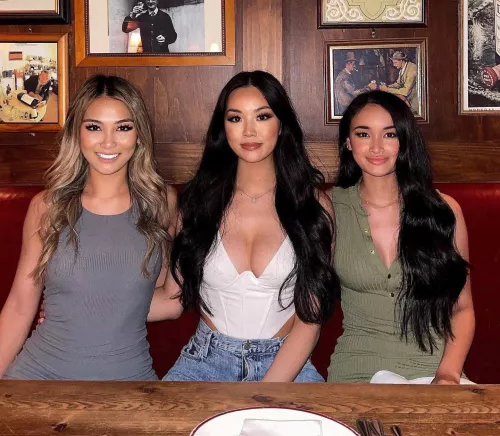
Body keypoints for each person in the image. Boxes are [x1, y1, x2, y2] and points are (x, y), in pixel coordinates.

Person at [149, 70, 337, 382]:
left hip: (287, 368)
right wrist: (82, 305)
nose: (249, 131)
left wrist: (265, 395)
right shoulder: (196, 203)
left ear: (281, 124)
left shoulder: (313, 206)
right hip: (204, 363)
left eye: (262, 116)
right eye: (235, 118)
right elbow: (170, 297)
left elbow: (310, 321)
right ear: (223, 128)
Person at [0, 75, 175, 380]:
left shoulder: (162, 204)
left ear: (139, 135)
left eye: (123, 127)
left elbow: (163, 301)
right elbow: (19, 306)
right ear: (77, 133)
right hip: (38, 375)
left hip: (129, 382)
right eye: (94, 127)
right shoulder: (48, 206)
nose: (108, 142)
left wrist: (96, 308)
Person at [327, 91, 474, 384]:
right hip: (358, 372)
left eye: (390, 134)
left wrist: (447, 374)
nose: (376, 147)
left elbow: (462, 308)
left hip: (434, 370)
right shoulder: (330, 208)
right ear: (348, 142)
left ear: (404, 141)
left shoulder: (444, 211)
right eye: (363, 134)